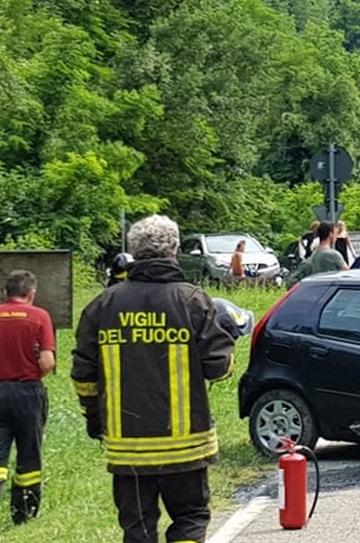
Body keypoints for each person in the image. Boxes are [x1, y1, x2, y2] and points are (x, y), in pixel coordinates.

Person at [71, 214, 236, 543]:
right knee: (189, 519)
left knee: (138, 528)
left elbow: (83, 376)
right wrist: (228, 341)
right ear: (174, 250)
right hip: (186, 447)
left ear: (134, 252)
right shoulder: (191, 300)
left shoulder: (103, 305)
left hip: (127, 448)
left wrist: (95, 421)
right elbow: (219, 367)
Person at [0, 270, 55, 525]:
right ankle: (25, 514)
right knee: (29, 455)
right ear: (31, 293)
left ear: (5, 293)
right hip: (27, 393)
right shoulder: (39, 316)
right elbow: (47, 361)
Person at [286, 221, 348, 285]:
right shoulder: (333, 255)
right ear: (331, 234)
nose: (336, 237)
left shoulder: (313, 255)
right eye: (336, 233)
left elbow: (291, 281)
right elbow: (348, 275)